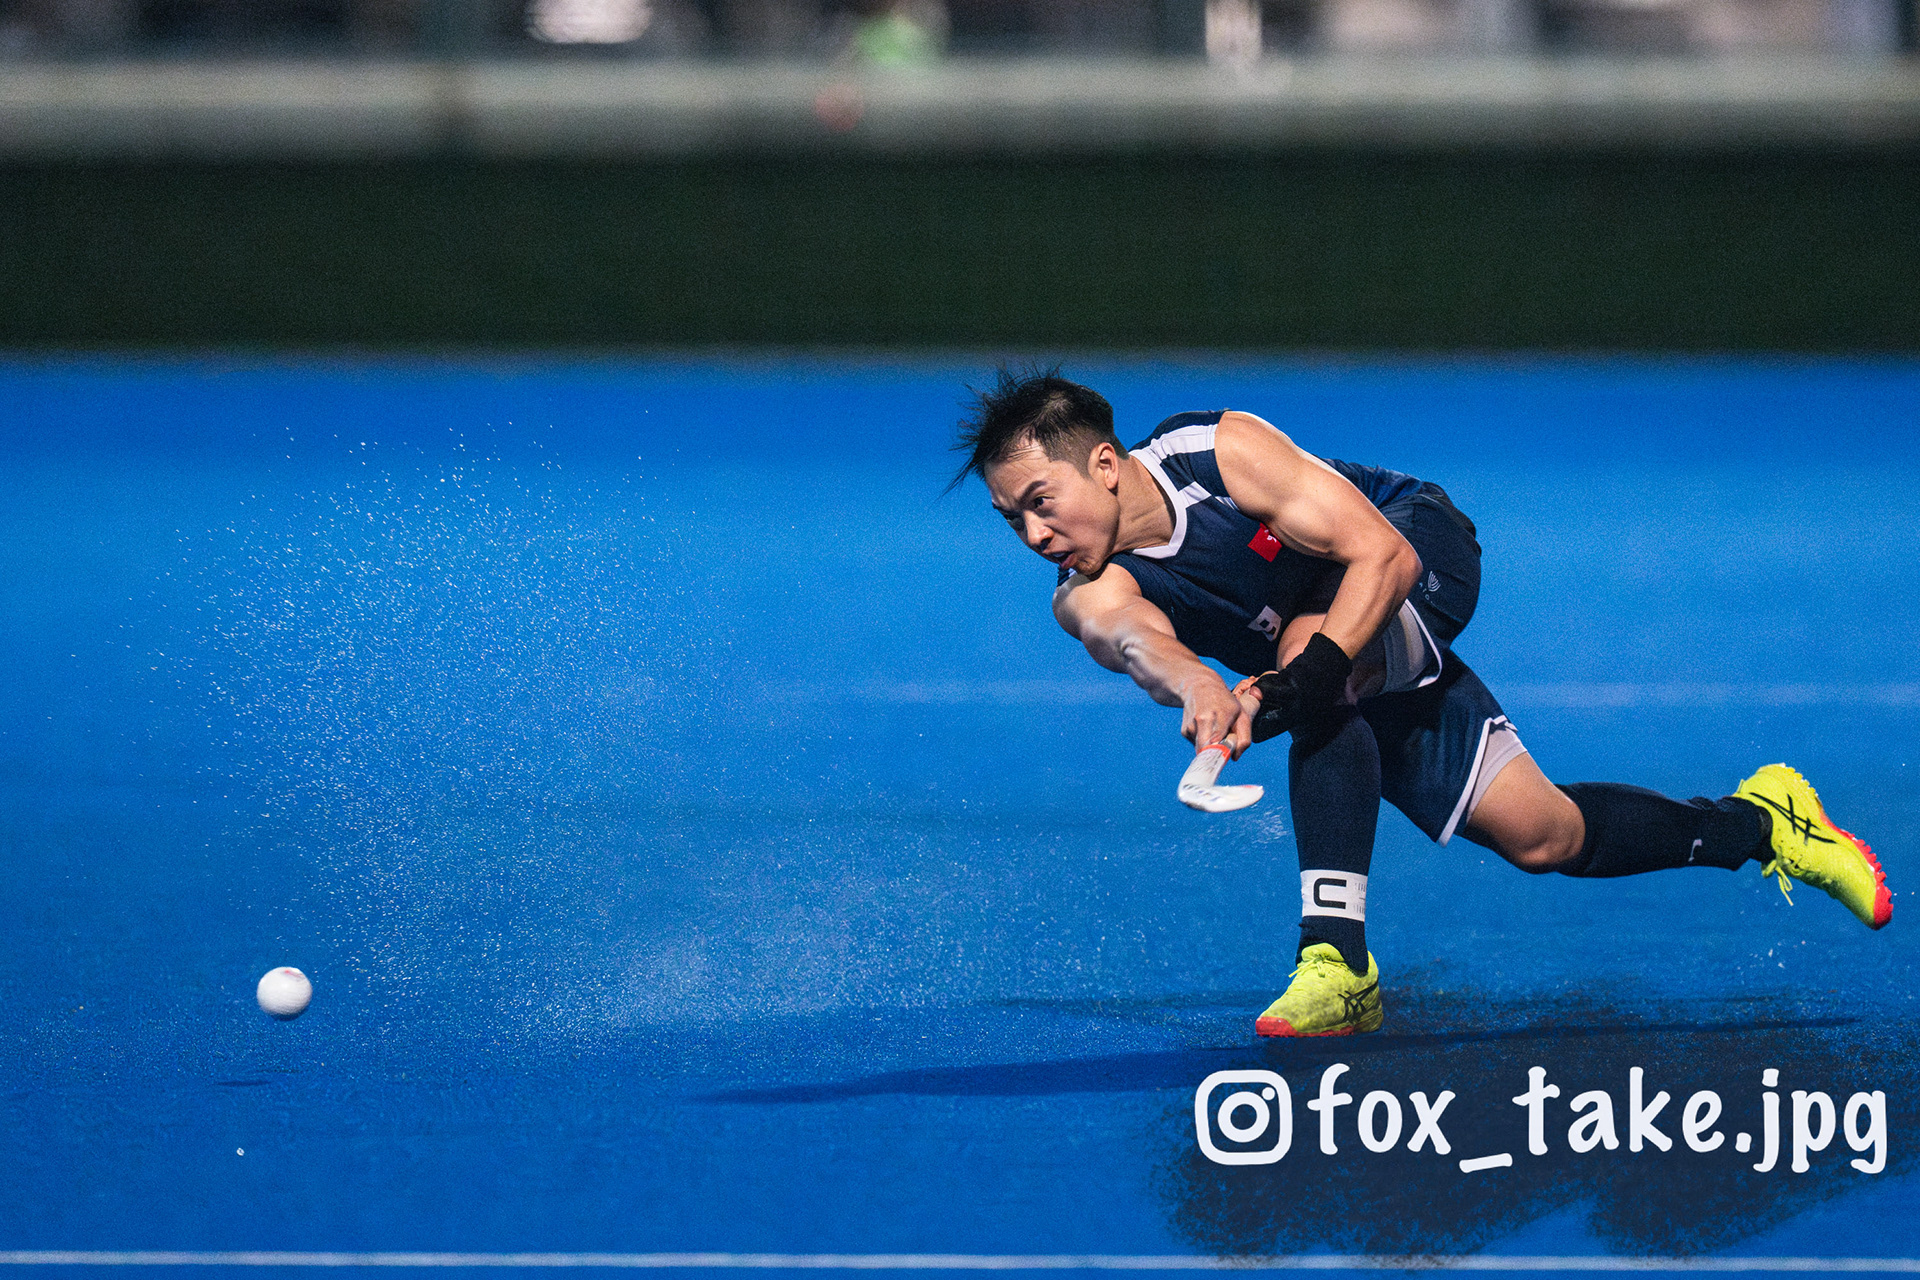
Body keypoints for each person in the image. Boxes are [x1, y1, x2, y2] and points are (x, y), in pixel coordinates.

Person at [952, 369, 1892, 1037]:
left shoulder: (1218, 454)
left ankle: (1337, 961)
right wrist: (1203, 687)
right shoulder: (1084, 593)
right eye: (1011, 520)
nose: (1034, 534)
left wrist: (1300, 681)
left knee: (1310, 664)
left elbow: (1383, 556)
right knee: (1544, 836)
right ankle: (1764, 823)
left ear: (1104, 464)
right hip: (1334, 657)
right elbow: (1139, 642)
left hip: (1418, 547)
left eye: (1041, 500)